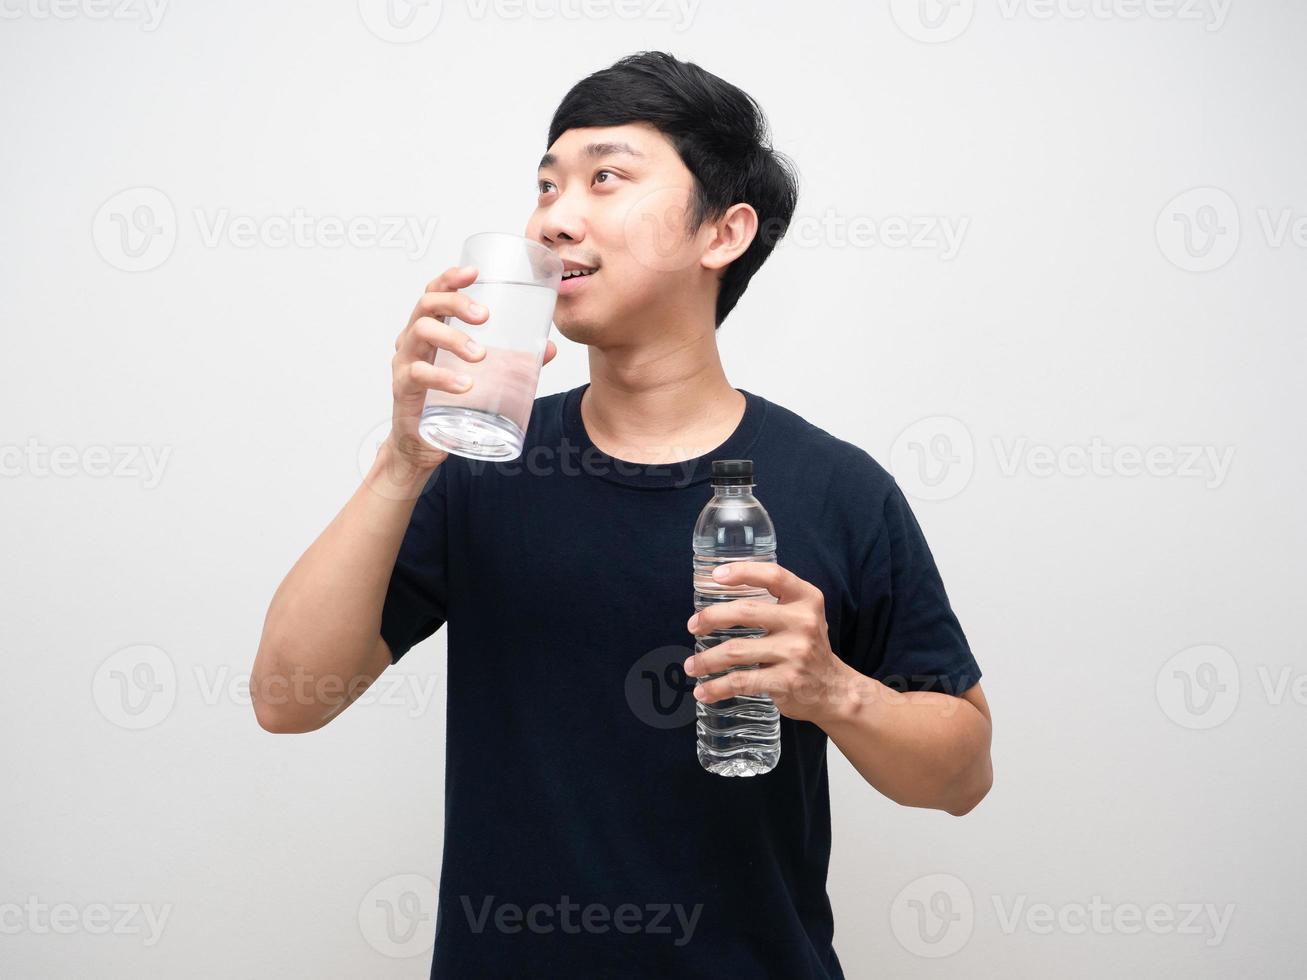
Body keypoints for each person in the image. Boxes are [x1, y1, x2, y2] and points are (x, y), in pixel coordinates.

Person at [252, 50, 992, 980]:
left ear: (721, 233)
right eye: (546, 184)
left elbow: (963, 774)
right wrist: (404, 457)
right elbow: (285, 701)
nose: (555, 217)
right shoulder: (483, 467)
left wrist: (831, 689)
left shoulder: (835, 487)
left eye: (606, 178)